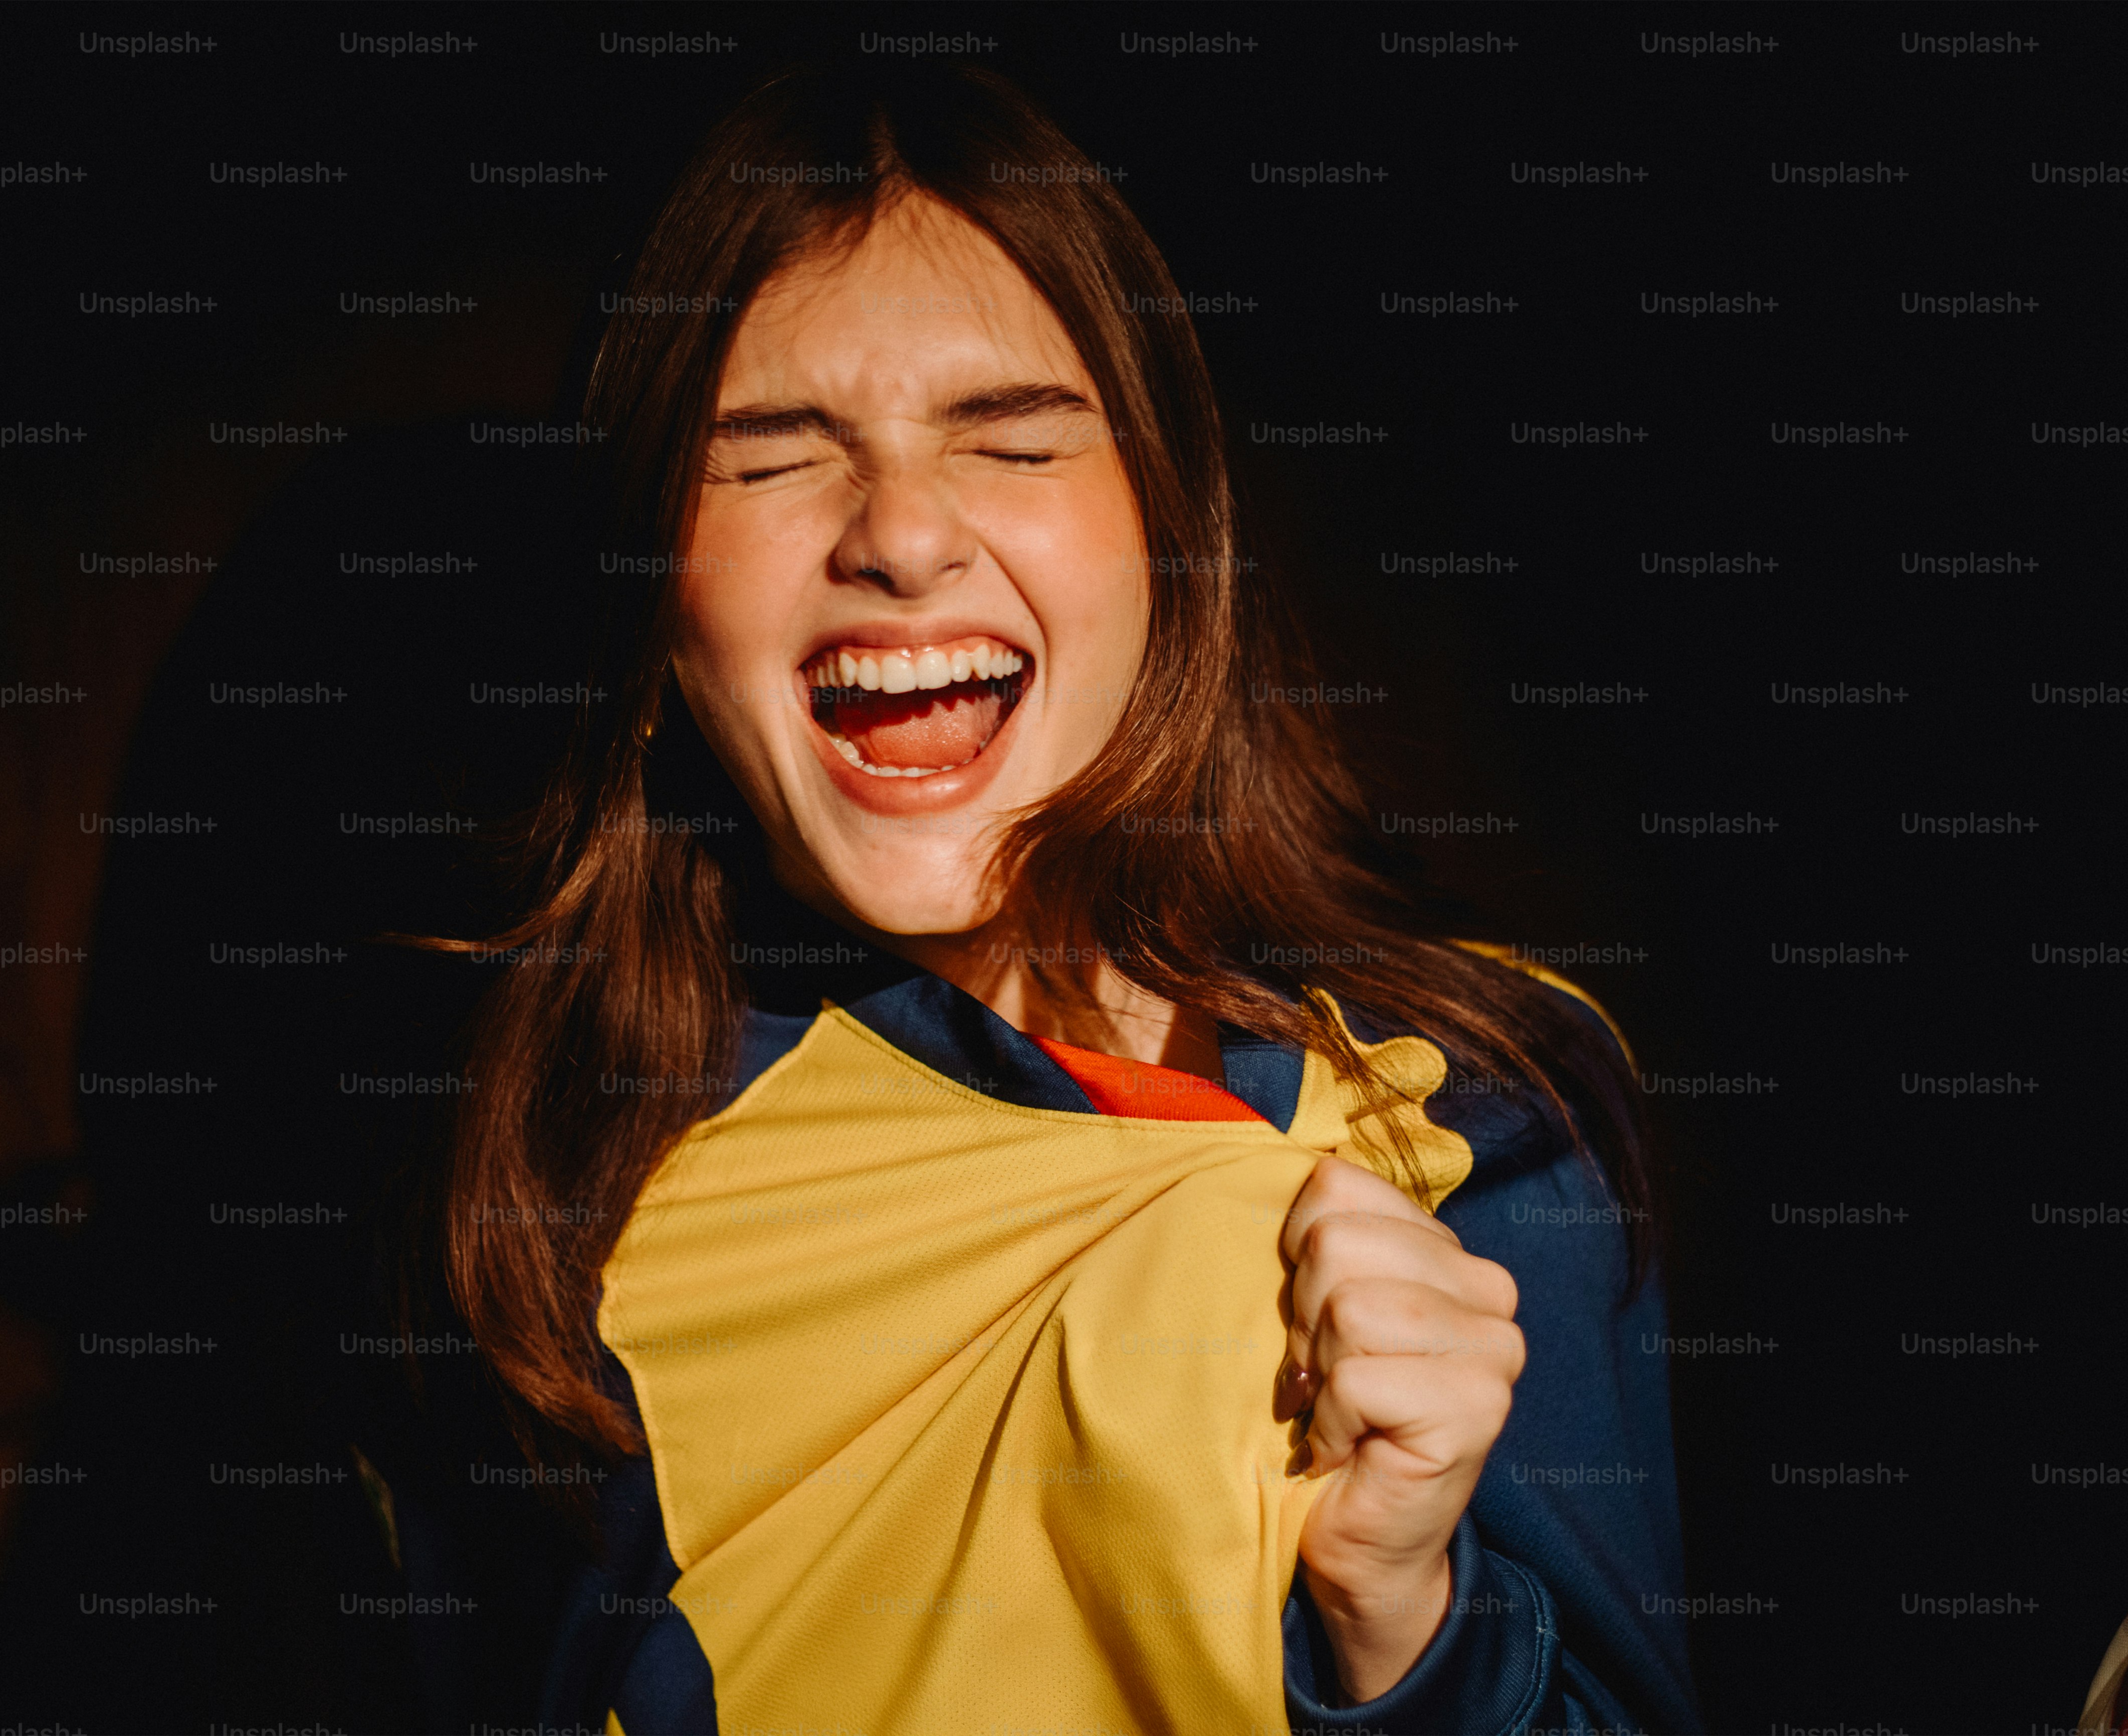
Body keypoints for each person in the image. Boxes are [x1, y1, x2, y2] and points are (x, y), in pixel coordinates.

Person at [414, 61, 1699, 1735]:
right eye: (770, 462)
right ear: (648, 608)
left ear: (1168, 533)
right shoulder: (558, 1180)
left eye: (1012, 440)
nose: (902, 535)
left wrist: (1403, 1620)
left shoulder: (1487, 1098)